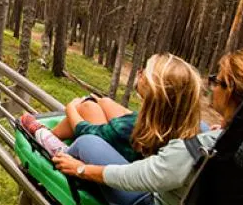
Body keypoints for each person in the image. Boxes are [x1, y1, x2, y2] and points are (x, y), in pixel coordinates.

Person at [53, 49, 243, 205]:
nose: (212, 85)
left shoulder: (194, 148)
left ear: (230, 91)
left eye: (217, 80)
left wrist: (82, 169)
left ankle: (51, 152)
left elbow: (138, 176)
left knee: (88, 143)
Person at [20, 53, 200, 162]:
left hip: (118, 164)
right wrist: (103, 103)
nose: (139, 72)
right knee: (100, 103)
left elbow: (87, 131)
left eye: (144, 72)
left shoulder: (134, 128)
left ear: (155, 90)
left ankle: (49, 139)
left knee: (87, 108)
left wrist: (71, 108)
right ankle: (53, 133)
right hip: (136, 159)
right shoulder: (176, 123)